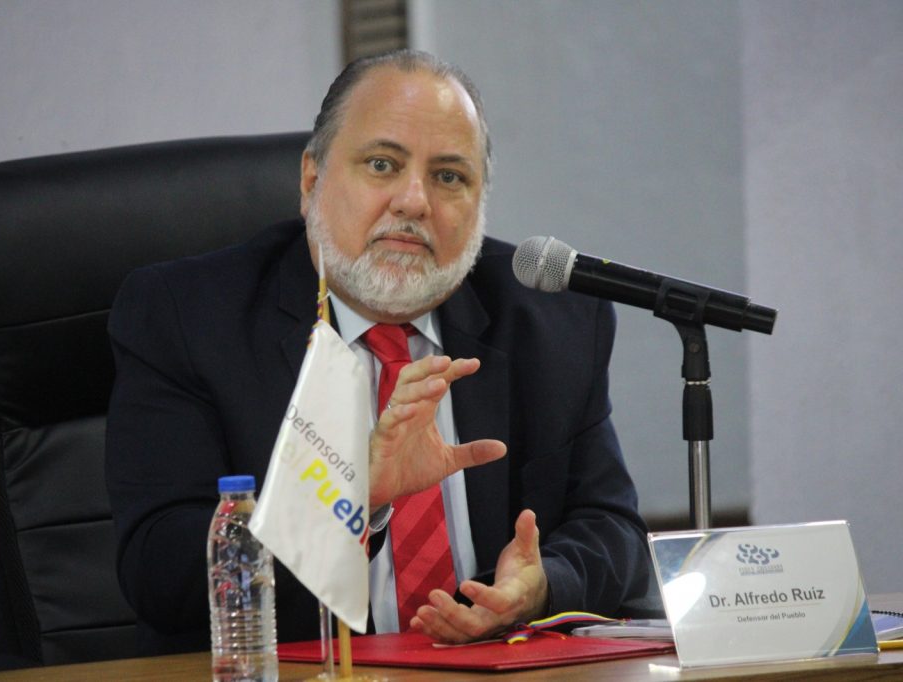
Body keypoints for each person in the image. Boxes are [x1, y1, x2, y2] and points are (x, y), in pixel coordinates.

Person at [105, 49, 651, 654]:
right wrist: (351, 501)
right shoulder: (188, 317)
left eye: (449, 177)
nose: (414, 201)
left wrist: (541, 586)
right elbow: (160, 573)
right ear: (311, 180)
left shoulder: (553, 319)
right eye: (382, 164)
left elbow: (612, 529)